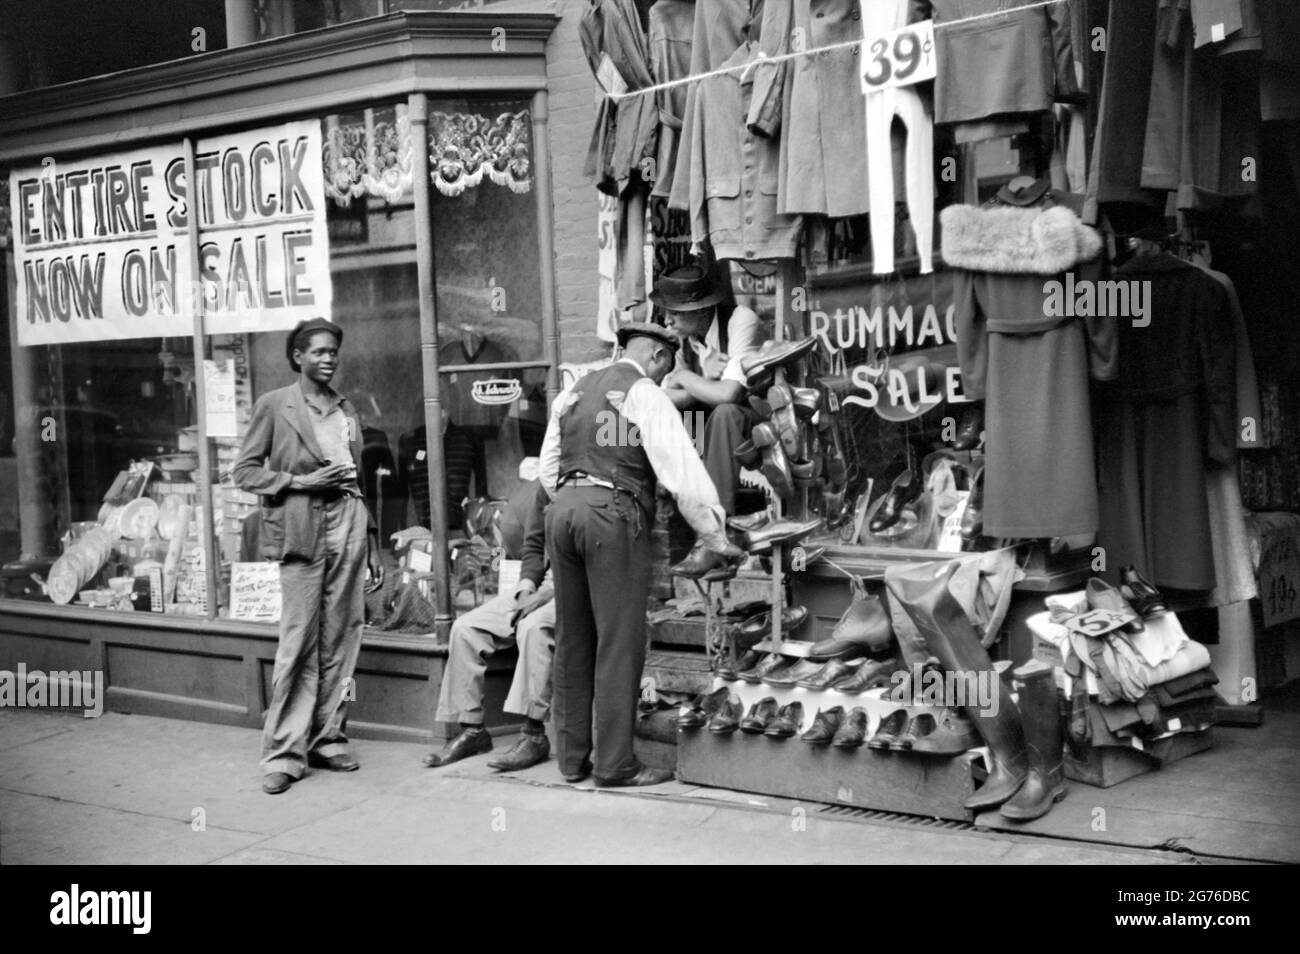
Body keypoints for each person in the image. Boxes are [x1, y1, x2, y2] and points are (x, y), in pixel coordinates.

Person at [539, 322, 742, 786]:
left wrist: (576, 498)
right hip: (611, 516)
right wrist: (714, 537)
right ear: (654, 355)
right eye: (667, 366)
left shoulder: (572, 392)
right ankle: (614, 765)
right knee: (620, 641)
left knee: (573, 638)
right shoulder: (643, 393)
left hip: (563, 511)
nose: (664, 375)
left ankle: (572, 761)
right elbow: (681, 470)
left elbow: (549, 469)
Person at [233, 317, 384, 795]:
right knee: (298, 639)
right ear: (297, 356)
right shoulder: (275, 406)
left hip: (349, 524)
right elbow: (244, 472)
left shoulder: (345, 408)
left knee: (342, 635)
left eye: (333, 351)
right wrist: (298, 482)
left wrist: (373, 543)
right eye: (318, 351)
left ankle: (327, 736)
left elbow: (356, 478)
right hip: (300, 526)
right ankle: (283, 752)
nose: (328, 358)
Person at [422, 478, 556, 771]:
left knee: (533, 627)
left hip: (571, 587)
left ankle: (534, 735)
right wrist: (526, 590)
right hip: (540, 583)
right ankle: (472, 730)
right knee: (466, 627)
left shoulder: (586, 483)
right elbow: (533, 547)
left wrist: (549, 592)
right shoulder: (545, 487)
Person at [654, 264, 765, 515]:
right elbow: (663, 398)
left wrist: (683, 376)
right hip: (714, 427)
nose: (667, 320)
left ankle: (716, 523)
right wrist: (703, 378)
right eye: (666, 311)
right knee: (675, 418)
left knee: (725, 412)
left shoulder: (740, 320)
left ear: (701, 309)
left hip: (760, 419)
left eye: (675, 312)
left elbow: (729, 394)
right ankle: (667, 505)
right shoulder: (683, 340)